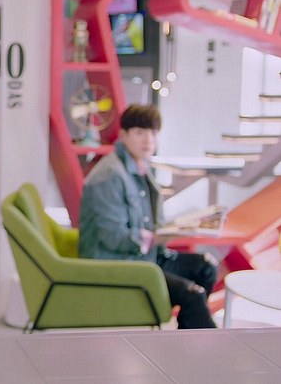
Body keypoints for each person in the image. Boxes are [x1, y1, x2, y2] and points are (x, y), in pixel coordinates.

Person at [79, 104, 218, 329]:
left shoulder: (141, 167)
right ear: (123, 135)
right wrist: (154, 238)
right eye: (139, 132)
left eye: (153, 133)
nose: (148, 140)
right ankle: (200, 345)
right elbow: (112, 236)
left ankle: (186, 335)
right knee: (193, 294)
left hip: (144, 257)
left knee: (206, 267)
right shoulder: (109, 175)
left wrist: (181, 227)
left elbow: (151, 223)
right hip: (118, 264)